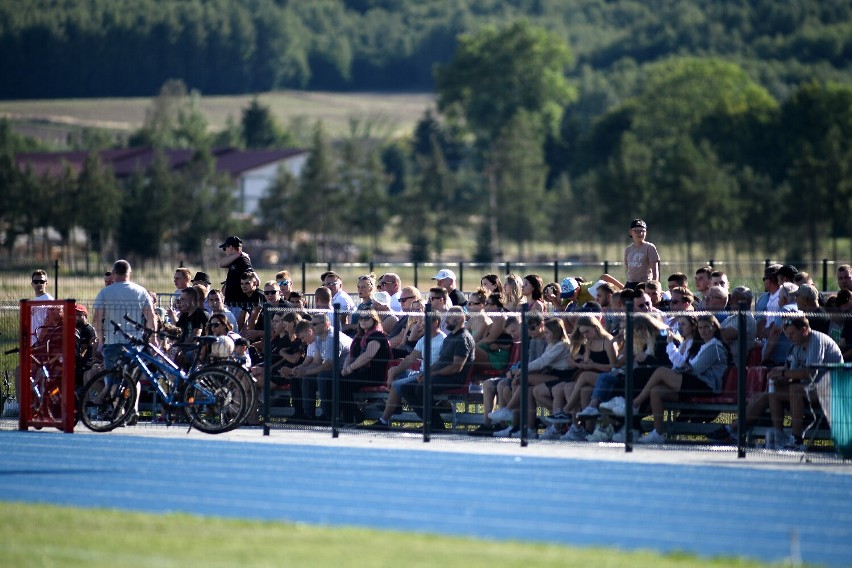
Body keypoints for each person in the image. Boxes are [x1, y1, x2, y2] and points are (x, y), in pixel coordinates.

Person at [632, 314, 730, 444]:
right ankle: (658, 432)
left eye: (707, 327)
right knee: (656, 391)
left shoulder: (714, 346)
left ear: (715, 328)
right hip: (693, 381)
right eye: (701, 328)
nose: (703, 331)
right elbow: (687, 365)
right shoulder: (703, 344)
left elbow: (695, 369)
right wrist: (683, 368)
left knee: (660, 372)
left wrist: (682, 368)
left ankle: (635, 403)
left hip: (706, 386)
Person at [92, 260, 157, 423]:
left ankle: (119, 411)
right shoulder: (140, 291)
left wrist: (101, 339)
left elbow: (97, 319)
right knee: (133, 377)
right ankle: (133, 408)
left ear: (114, 274)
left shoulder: (105, 292)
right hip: (135, 343)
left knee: (113, 378)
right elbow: (151, 317)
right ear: (130, 273)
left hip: (113, 342)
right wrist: (153, 338)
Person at [490, 317, 575, 439]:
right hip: (553, 375)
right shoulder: (552, 344)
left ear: (555, 332)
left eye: (547, 332)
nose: (545, 335)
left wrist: (521, 370)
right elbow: (539, 363)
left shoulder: (561, 345)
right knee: (529, 390)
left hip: (562, 376)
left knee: (525, 379)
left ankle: (508, 409)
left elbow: (542, 362)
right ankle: (530, 429)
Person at [399, 307, 475, 430]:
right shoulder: (451, 337)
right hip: (442, 376)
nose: (446, 321)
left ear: (460, 319)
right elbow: (441, 361)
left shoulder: (463, 339)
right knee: (405, 388)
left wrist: (432, 374)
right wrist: (426, 372)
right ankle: (430, 421)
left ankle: (435, 424)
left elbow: (457, 367)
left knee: (421, 388)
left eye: (449, 318)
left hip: (455, 379)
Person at [377, 311, 446, 428]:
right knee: (394, 370)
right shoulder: (424, 339)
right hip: (420, 373)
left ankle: (383, 420)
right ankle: (396, 406)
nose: (421, 324)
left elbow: (443, 364)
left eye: (425, 321)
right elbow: (410, 358)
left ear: (435, 323)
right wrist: (394, 372)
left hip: (432, 375)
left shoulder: (443, 340)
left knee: (397, 385)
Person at [291, 312, 352, 422]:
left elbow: (328, 365)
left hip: (347, 370)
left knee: (322, 377)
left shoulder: (332, 338)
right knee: (307, 378)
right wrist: (301, 370)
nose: (311, 327)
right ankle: (308, 415)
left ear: (326, 325)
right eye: (311, 324)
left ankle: (328, 416)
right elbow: (317, 362)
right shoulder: (319, 337)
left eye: (314, 324)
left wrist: (305, 371)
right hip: (334, 369)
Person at [340, 309, 391, 423]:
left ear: (374, 320)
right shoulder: (359, 337)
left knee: (343, 383)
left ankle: (350, 418)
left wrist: (350, 368)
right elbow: (351, 355)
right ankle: (352, 414)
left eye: (367, 318)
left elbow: (368, 355)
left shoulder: (377, 335)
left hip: (374, 374)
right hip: (361, 372)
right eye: (361, 318)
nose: (363, 320)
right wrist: (344, 368)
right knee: (334, 378)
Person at [218, 235, 253, 311]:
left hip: (238, 305)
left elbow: (253, 278)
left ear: (230, 247)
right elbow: (221, 264)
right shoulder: (235, 259)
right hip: (231, 304)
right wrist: (238, 254)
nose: (225, 251)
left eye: (225, 248)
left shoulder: (243, 260)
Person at [624, 219, 660, 288]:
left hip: (644, 284)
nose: (640, 233)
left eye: (642, 231)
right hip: (630, 283)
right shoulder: (628, 250)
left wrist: (654, 286)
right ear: (630, 232)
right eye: (636, 231)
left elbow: (655, 271)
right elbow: (628, 269)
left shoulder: (649, 247)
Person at [29, 269, 54, 345]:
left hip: (42, 343)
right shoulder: (33, 301)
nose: (39, 284)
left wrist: (40, 341)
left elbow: (49, 323)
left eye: (42, 282)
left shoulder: (49, 300)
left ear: (46, 284)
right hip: (32, 341)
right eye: (36, 282)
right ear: (32, 284)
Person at [74, 303, 96, 389]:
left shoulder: (88, 330)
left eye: (80, 315)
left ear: (85, 316)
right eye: (75, 315)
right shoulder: (77, 328)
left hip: (87, 362)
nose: (76, 318)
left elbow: (84, 350)